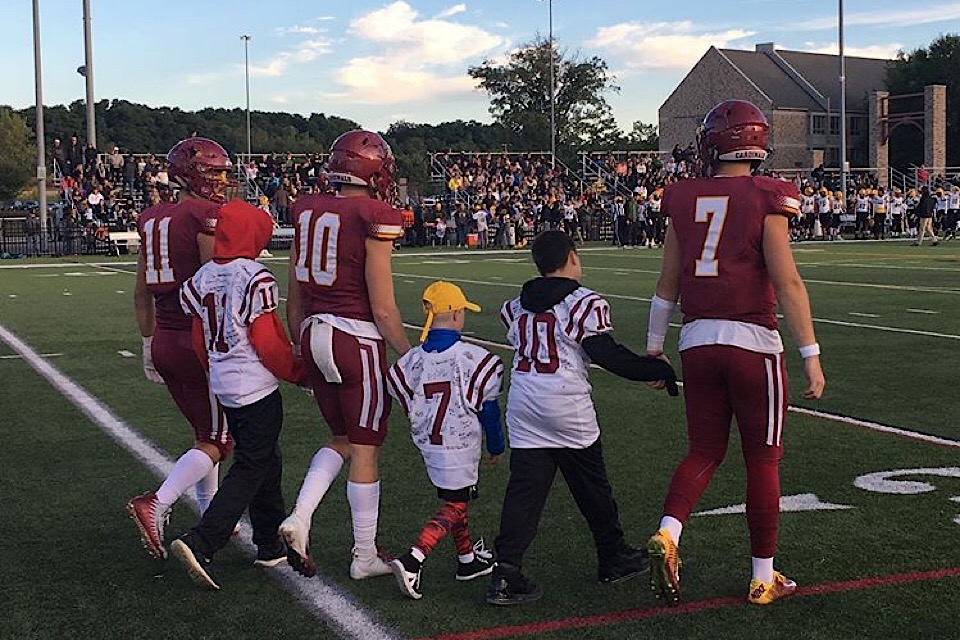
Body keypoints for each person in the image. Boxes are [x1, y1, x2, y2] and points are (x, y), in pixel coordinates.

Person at [644, 100, 826, 607]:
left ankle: (669, 532)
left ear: (713, 142)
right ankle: (763, 576)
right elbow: (786, 280)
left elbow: (666, 284)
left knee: (703, 451)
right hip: (752, 342)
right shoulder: (768, 195)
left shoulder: (681, 197)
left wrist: (655, 349)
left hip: (697, 341)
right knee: (763, 459)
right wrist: (809, 352)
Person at [486, 230, 678, 605]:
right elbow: (606, 353)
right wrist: (654, 369)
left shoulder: (516, 305)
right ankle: (613, 555)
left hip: (525, 403)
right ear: (572, 257)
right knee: (593, 485)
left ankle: (506, 571)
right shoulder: (582, 302)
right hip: (565, 403)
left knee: (524, 492)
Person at [281, 130, 410, 580]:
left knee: (342, 438)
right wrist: (409, 356)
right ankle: (364, 556)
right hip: (355, 337)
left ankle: (299, 517)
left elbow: (294, 296)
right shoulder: (373, 213)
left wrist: (300, 343)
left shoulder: (307, 210)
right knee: (366, 448)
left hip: (314, 332)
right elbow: (383, 307)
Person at [170, 200, 303, 590]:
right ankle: (204, 539)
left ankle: (267, 542)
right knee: (251, 462)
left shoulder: (202, 277)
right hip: (254, 384)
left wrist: (216, 369)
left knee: (266, 457)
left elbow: (198, 338)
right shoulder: (254, 276)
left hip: (224, 380)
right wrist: (296, 371)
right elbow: (266, 339)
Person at [127, 138, 235, 560]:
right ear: (191, 175)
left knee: (203, 434)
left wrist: (147, 341)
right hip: (196, 339)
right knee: (220, 439)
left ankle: (210, 518)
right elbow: (215, 288)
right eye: (214, 172)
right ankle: (157, 501)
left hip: (164, 340)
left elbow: (141, 294)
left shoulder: (153, 218)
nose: (221, 180)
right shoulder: (204, 215)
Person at [386, 281, 504, 600]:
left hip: (430, 444)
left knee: (457, 499)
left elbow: (401, 392)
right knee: (454, 504)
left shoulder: (409, 361)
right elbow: (489, 410)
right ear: (454, 315)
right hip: (459, 444)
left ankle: (466, 561)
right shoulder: (473, 358)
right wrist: (497, 446)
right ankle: (414, 558)